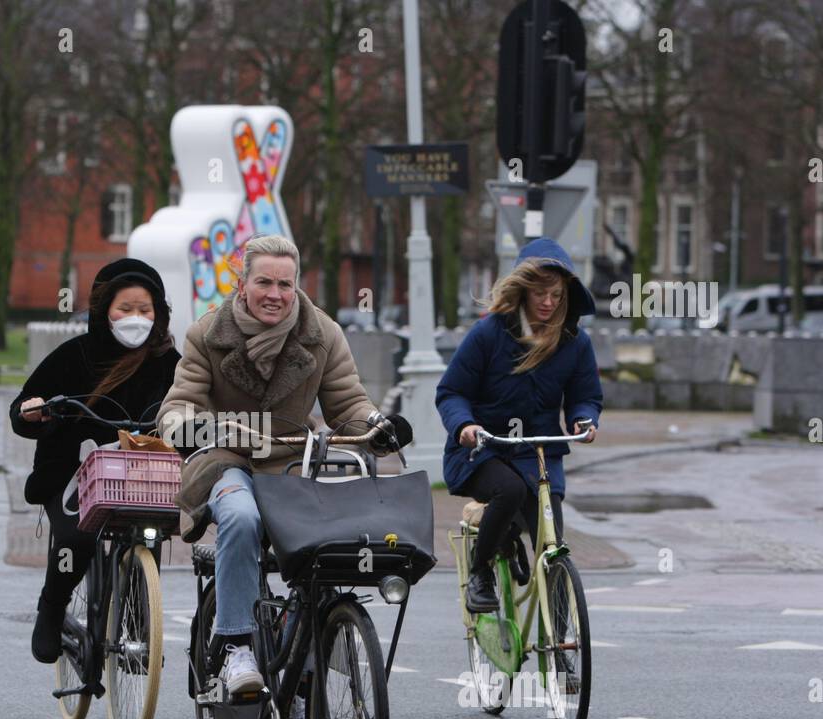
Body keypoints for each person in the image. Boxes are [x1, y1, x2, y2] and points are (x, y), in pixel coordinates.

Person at [159, 234, 411, 694]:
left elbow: (348, 403)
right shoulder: (207, 334)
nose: (275, 294)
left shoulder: (322, 334)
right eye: (264, 283)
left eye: (285, 284)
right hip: (225, 459)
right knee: (240, 517)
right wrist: (193, 427)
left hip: (293, 465)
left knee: (325, 542)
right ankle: (235, 646)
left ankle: (302, 652)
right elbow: (178, 406)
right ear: (242, 284)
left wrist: (377, 427)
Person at [11, 258, 181, 664]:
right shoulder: (74, 356)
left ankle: (139, 623)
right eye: (126, 309)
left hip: (142, 478)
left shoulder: (170, 364)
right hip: (73, 474)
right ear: (105, 310)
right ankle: (52, 607)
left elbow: (193, 410)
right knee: (77, 537)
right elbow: (22, 409)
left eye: (145, 309)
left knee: (149, 530)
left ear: (158, 314)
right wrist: (34, 411)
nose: (135, 319)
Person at [436, 236, 603, 613]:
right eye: (540, 293)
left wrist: (584, 419)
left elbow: (586, 395)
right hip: (482, 450)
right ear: (523, 289)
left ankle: (562, 647)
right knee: (509, 491)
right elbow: (451, 392)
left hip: (539, 452)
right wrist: (464, 425)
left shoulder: (575, 341)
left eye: (557, 295)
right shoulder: (488, 334)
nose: (548, 303)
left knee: (551, 543)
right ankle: (480, 574)